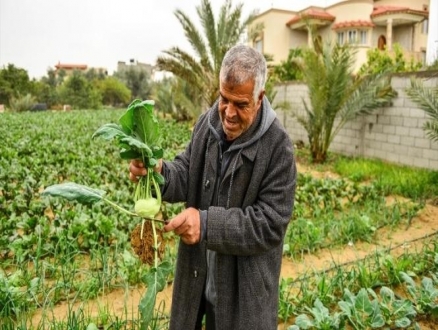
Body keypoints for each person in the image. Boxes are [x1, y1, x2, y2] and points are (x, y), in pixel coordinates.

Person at [129, 44, 297, 330]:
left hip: (242, 294)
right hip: (198, 279)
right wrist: (159, 172)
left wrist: (206, 225)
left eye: (241, 105)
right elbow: (186, 171)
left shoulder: (278, 149)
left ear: (259, 98)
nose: (228, 113)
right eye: (223, 99)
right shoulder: (207, 125)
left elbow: (269, 224)